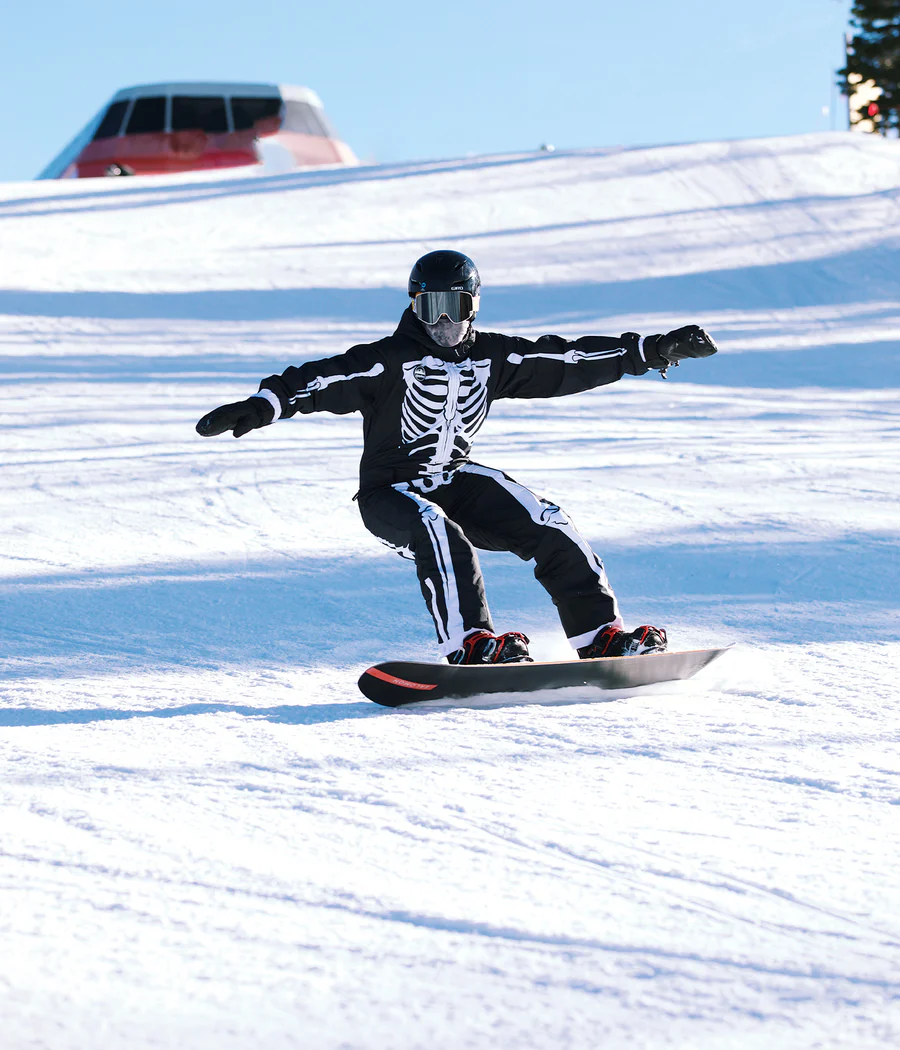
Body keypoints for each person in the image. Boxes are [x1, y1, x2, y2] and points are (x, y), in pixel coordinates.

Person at [196, 251, 717, 665]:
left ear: (474, 305)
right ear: (413, 306)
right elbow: (319, 380)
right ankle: (470, 642)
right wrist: (260, 406)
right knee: (436, 529)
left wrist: (650, 350)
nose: (442, 320)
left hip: (452, 478)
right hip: (389, 493)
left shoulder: (494, 356)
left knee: (547, 521)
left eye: (454, 306)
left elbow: (564, 360)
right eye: (429, 307)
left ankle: (598, 636)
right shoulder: (385, 361)